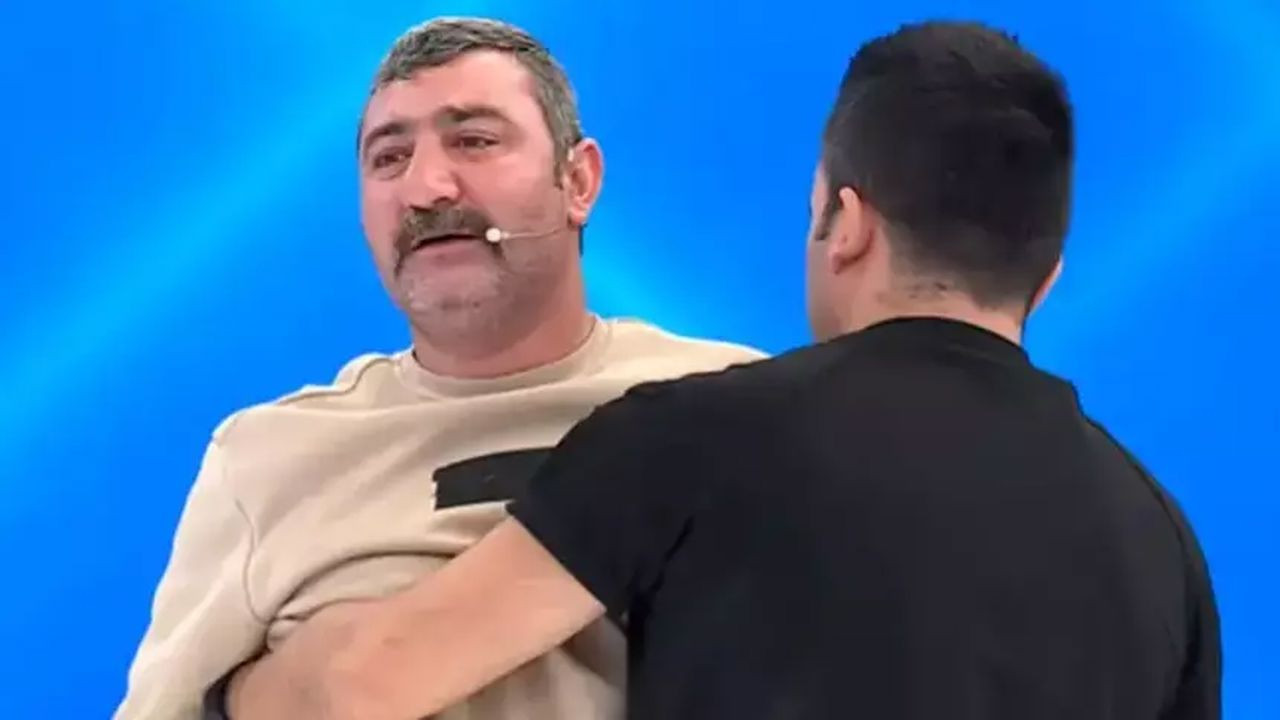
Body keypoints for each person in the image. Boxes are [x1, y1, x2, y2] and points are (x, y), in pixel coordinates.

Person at [226, 19, 1222, 720]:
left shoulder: (691, 432)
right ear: (1046, 276)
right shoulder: (1161, 542)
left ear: (844, 224)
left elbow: (368, 685)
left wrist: (232, 689)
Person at [112, 16, 765, 720]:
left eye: (474, 141)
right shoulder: (265, 460)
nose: (425, 188)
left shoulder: (740, 406)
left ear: (578, 181)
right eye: (389, 158)